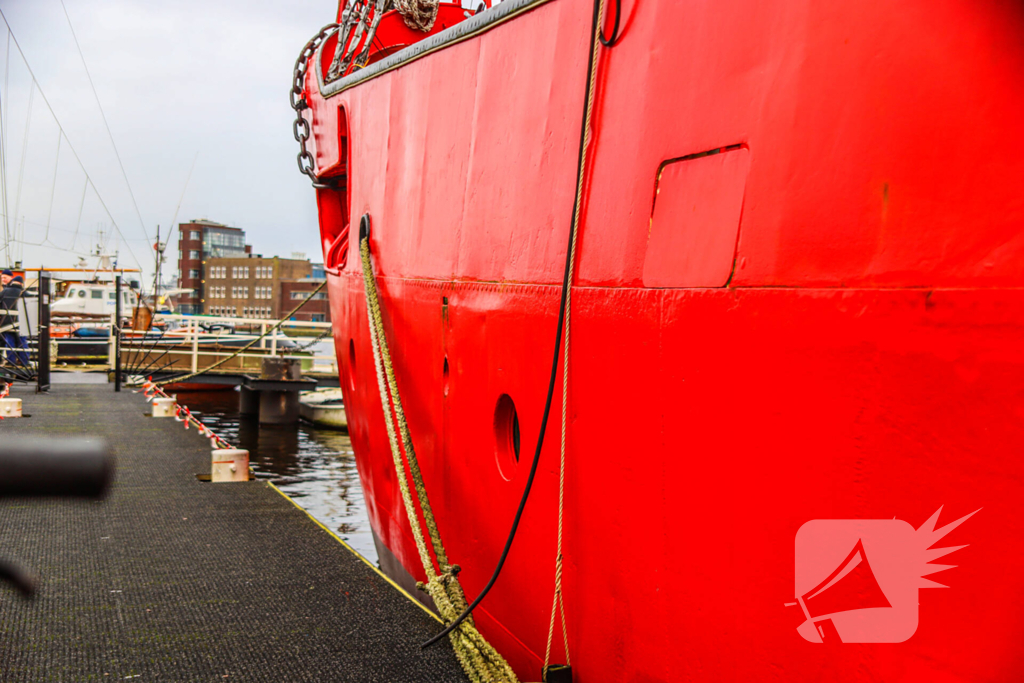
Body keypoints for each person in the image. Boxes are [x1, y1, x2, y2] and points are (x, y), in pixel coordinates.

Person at [0, 274, 28, 365]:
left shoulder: (4, 292)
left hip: (6, 323)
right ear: (21, 283)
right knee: (22, 342)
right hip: (22, 323)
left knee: (9, 341)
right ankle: (24, 361)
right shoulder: (25, 293)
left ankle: (11, 361)